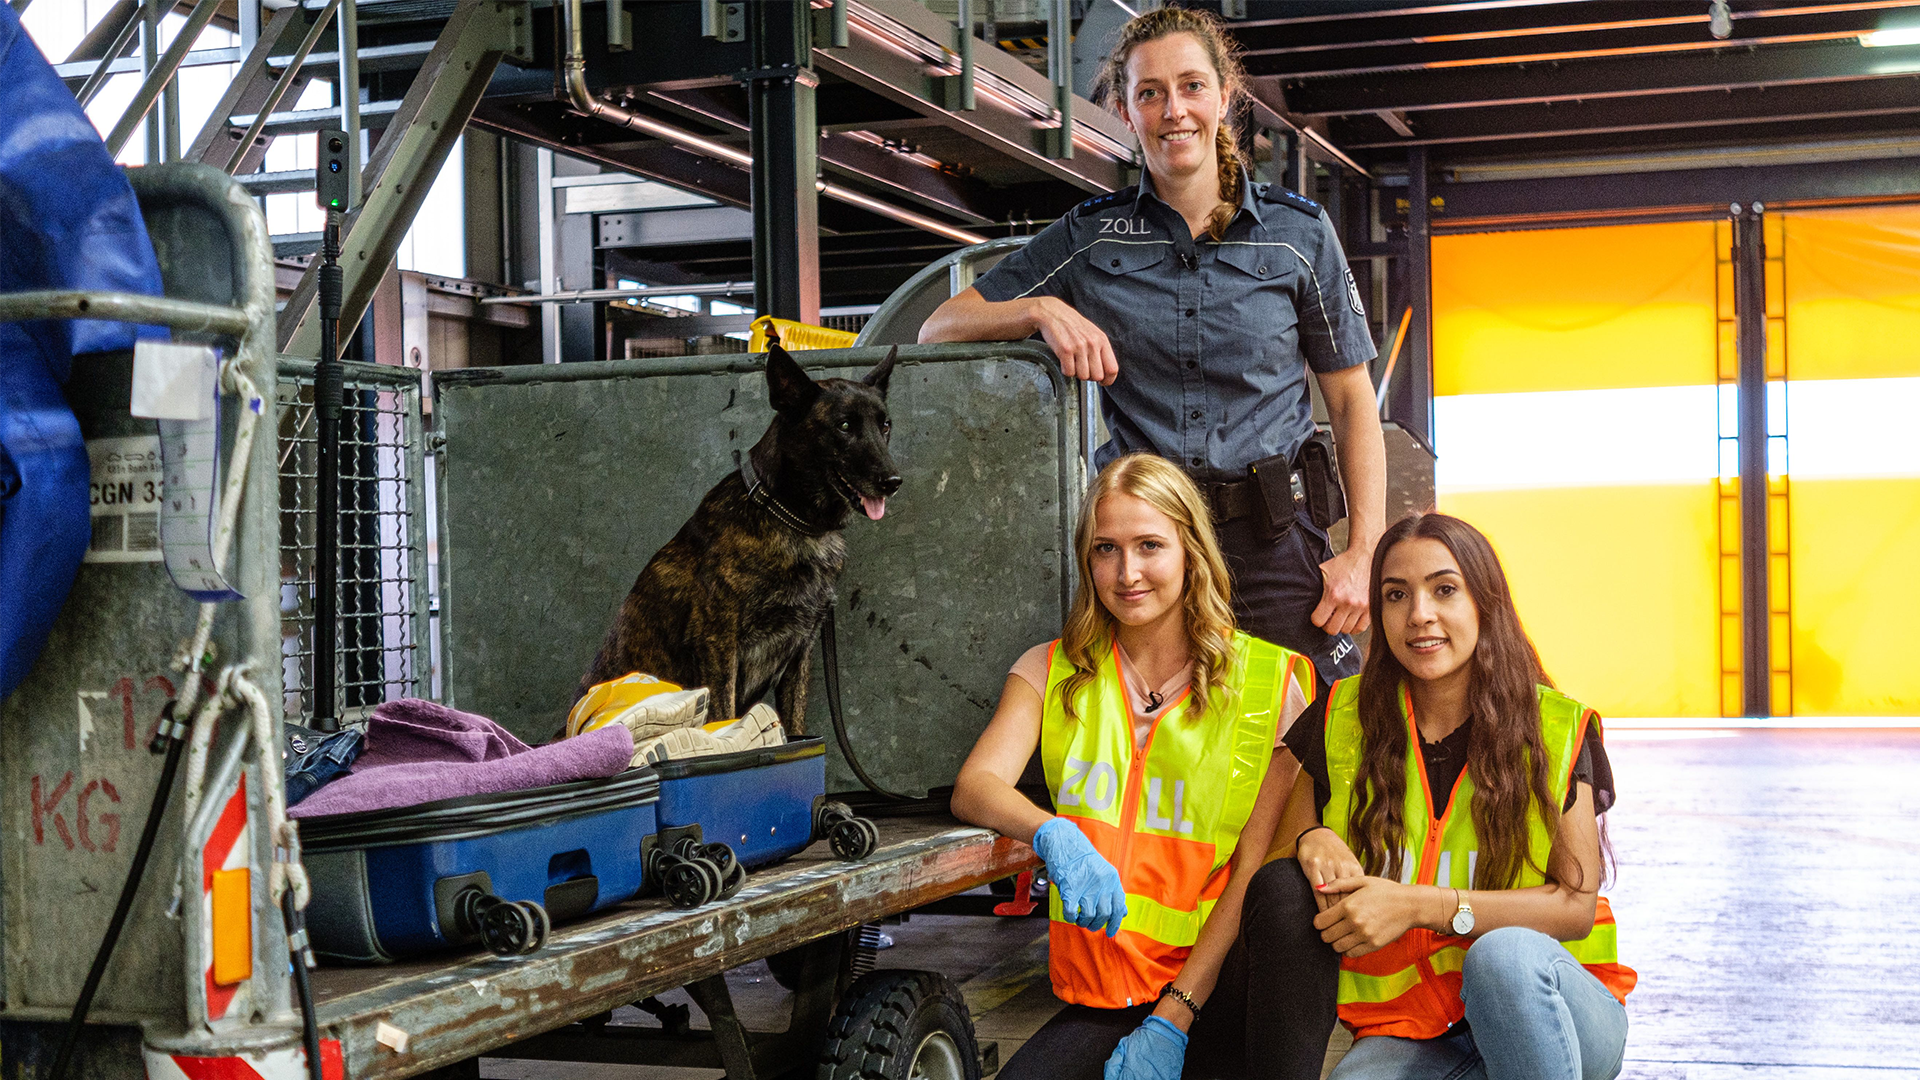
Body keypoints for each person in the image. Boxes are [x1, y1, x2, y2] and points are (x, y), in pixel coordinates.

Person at [920, 6, 1386, 694]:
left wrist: (1363, 551)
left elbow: (1351, 404)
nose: (1175, 111)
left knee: (1309, 751)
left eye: (1192, 86)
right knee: (1157, 754)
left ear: (1225, 97)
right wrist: (1042, 308)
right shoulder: (1091, 238)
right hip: (1147, 559)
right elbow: (939, 325)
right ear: (1124, 110)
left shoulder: (1298, 235)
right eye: (1150, 93)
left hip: (1275, 545)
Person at [950, 453, 1317, 1080]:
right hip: (1110, 985)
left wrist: (1175, 1016)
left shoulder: (1269, 683)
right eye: (1106, 550)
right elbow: (975, 786)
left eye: (1150, 545)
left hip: (1223, 984)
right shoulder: (1052, 668)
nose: (1127, 573)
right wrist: (1051, 832)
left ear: (1189, 551)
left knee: (1282, 896)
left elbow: (1253, 867)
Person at [1233, 513, 1637, 1080]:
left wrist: (1421, 906)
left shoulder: (1555, 728)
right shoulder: (1340, 720)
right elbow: (1276, 876)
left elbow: (1574, 908)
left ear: (1484, 603)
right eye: (1396, 595)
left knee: (1503, 959)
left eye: (1444, 590)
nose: (1419, 614)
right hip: (1418, 1029)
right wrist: (1312, 838)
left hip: (1555, 1015)